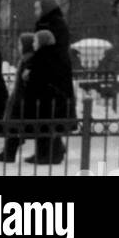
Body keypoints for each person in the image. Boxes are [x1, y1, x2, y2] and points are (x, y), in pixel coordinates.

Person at [24, 30, 74, 164]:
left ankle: (47, 154)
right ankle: (50, 152)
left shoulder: (43, 56)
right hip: (53, 98)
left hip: (46, 98)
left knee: (44, 127)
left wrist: (28, 76)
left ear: (42, 42)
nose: (33, 44)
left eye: (35, 41)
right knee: (47, 127)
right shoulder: (56, 54)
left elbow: (40, 77)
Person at [0, 32, 37, 163]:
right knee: (15, 126)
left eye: (20, 44)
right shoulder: (24, 59)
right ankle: (8, 152)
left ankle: (8, 153)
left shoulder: (29, 61)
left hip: (22, 100)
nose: (18, 47)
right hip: (18, 99)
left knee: (15, 125)